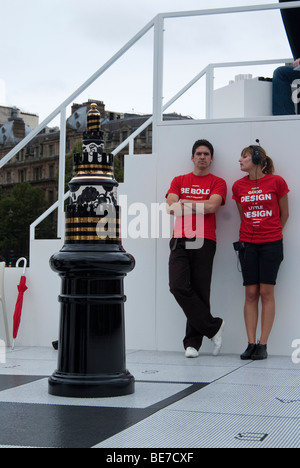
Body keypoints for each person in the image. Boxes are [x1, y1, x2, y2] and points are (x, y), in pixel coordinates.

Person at [166, 139, 227, 358]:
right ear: (192, 157)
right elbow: (171, 208)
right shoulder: (179, 180)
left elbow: (212, 206)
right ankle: (213, 327)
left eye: (206, 154)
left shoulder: (218, 182)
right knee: (177, 286)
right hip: (180, 238)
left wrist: (186, 202)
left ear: (211, 159)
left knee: (201, 290)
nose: (202, 157)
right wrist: (198, 203)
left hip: (205, 238)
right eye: (198, 153)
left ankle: (192, 344)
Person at [232, 145, 289, 360]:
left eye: (244, 156)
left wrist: (271, 233)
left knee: (266, 292)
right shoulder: (237, 186)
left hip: (272, 244)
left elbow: (285, 213)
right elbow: (242, 215)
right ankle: (250, 343)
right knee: (250, 293)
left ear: (256, 158)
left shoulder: (277, 182)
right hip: (248, 244)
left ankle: (263, 344)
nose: (240, 160)